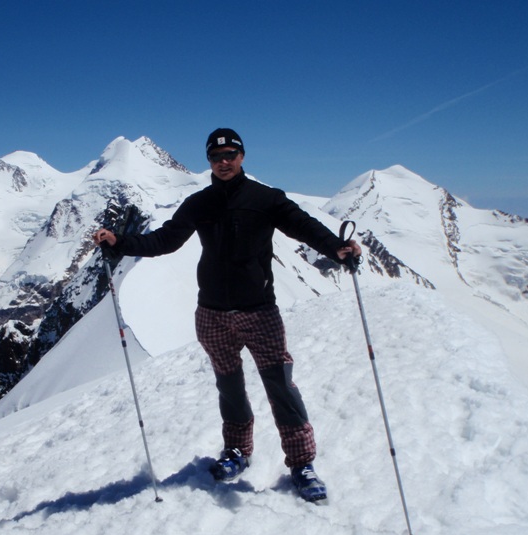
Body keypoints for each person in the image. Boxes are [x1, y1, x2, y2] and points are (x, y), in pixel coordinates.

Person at [93, 128, 361, 501]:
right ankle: (237, 451)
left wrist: (337, 248)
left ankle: (302, 463)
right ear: (209, 161)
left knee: (280, 386)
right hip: (212, 313)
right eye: (216, 157)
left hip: (260, 311)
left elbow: (304, 227)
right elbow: (165, 240)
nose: (223, 162)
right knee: (229, 386)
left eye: (230, 155)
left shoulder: (265, 199)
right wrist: (120, 242)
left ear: (242, 156)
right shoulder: (199, 203)